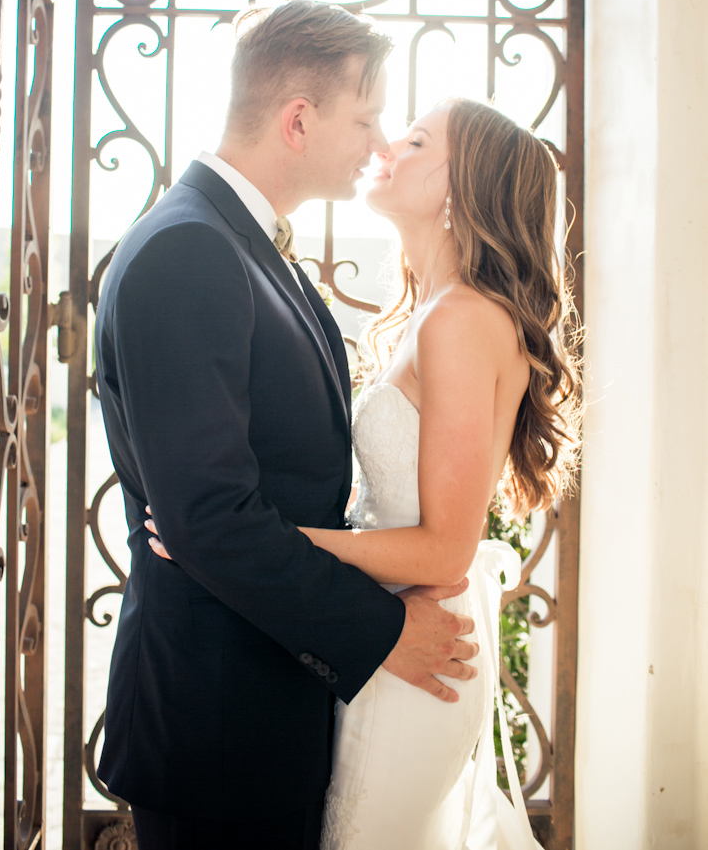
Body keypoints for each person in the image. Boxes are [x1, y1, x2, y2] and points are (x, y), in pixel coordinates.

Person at [94, 0, 480, 850]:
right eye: (367, 117)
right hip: (217, 727)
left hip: (270, 715)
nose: (379, 144)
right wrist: (382, 632)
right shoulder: (187, 250)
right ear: (298, 119)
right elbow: (208, 519)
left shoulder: (252, 251)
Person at [148, 97, 581, 849]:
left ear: (459, 186)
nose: (387, 147)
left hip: (419, 655)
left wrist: (265, 538)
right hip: (390, 637)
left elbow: (446, 548)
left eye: (415, 140)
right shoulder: (436, 308)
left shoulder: (460, 320)